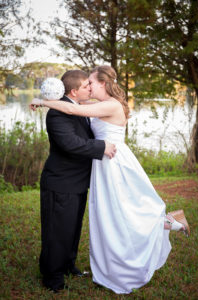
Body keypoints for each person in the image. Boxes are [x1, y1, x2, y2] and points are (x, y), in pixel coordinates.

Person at [30, 66, 190, 294]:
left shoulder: (110, 104)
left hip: (112, 162)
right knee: (110, 216)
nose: (89, 87)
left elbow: (73, 110)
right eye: (86, 85)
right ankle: (59, 272)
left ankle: (168, 223)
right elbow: (71, 107)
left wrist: (43, 101)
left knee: (121, 213)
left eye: (91, 83)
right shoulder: (87, 105)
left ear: (102, 84)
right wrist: (47, 101)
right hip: (97, 165)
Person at [32, 69, 116, 293]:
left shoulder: (78, 108)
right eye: (86, 86)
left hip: (77, 182)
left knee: (72, 229)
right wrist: (102, 147)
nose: (90, 87)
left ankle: (68, 265)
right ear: (74, 91)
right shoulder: (57, 114)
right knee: (57, 231)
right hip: (61, 182)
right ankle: (52, 277)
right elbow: (71, 143)